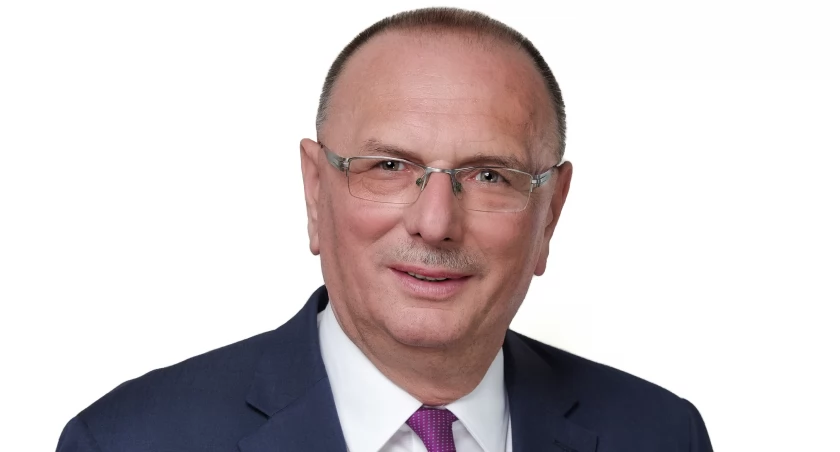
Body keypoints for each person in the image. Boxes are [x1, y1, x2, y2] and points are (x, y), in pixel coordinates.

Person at [56, 7, 713, 452]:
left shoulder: (661, 435)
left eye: (490, 175)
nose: (435, 223)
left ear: (552, 213)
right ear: (316, 192)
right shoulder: (128, 441)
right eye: (390, 167)